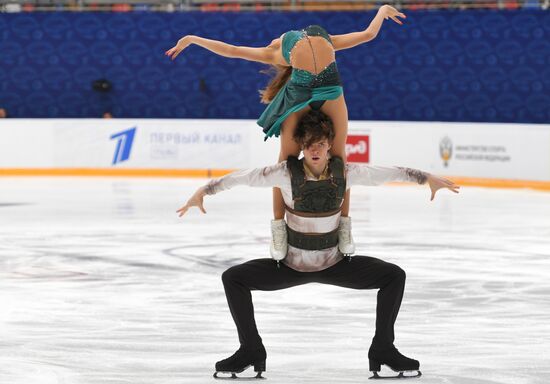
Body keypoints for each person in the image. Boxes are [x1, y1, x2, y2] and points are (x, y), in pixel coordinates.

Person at [177, 110, 459, 380]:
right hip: (290, 267)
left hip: (336, 264)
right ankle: (251, 348)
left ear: (328, 147)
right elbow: (239, 178)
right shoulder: (284, 174)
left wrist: (426, 178)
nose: (315, 150)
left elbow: (389, 173)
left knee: (393, 276)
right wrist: (203, 191)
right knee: (233, 278)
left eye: (321, 144)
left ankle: (383, 348)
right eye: (310, 144)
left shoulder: (347, 172)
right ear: (302, 146)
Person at [166, 4, 407, 260]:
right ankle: (279, 229)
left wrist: (381, 10)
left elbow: (368, 34)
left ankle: (344, 227)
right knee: (284, 165)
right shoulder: (276, 52)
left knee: (339, 161)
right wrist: (192, 39)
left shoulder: (322, 41)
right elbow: (232, 51)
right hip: (302, 97)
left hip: (329, 93)